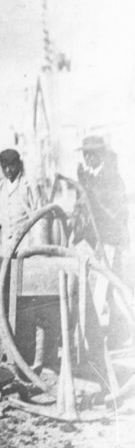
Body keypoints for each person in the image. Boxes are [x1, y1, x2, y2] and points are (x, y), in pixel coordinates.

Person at [73, 135, 130, 328]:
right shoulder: (86, 177)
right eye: (85, 154)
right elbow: (81, 208)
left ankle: (106, 332)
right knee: (94, 286)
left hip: (108, 240)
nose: (88, 158)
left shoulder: (112, 178)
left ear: (102, 155)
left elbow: (113, 212)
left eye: (93, 154)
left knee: (107, 286)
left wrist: (87, 188)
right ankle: (102, 331)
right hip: (89, 241)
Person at [0, 148, 41, 256]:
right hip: (7, 245)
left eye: (11, 166)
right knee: (9, 266)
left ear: (19, 164)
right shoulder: (0, 187)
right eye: (4, 167)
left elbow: (39, 213)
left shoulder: (29, 185)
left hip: (26, 243)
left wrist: (38, 245)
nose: (8, 170)